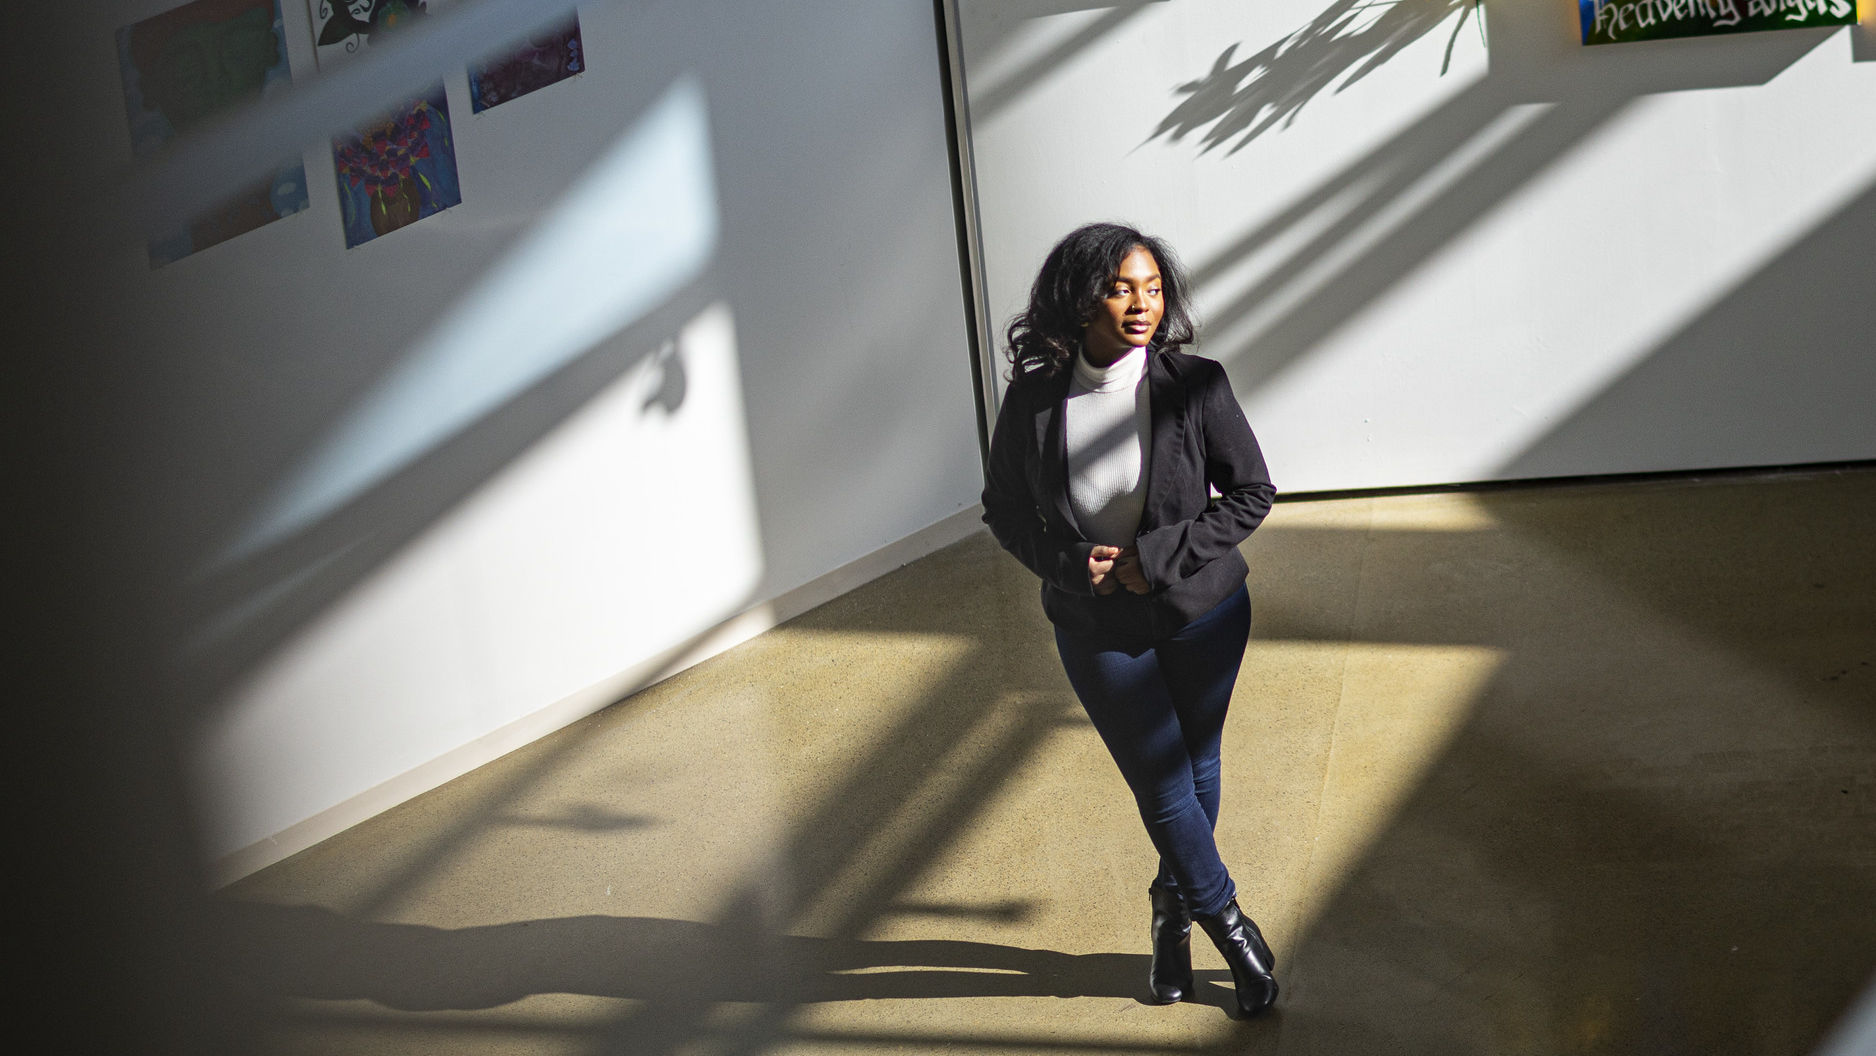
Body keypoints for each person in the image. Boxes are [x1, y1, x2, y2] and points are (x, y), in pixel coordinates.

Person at [981, 222, 1279, 1018]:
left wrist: (1162, 555)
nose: (1140, 303)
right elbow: (1003, 509)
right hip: (1094, 624)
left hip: (1202, 611)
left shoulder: (1197, 385)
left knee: (1197, 765)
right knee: (1163, 783)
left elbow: (1252, 492)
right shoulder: (1036, 399)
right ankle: (1230, 928)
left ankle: (1168, 915)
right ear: (1081, 301)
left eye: (1151, 288)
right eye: (1120, 288)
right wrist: (1064, 563)